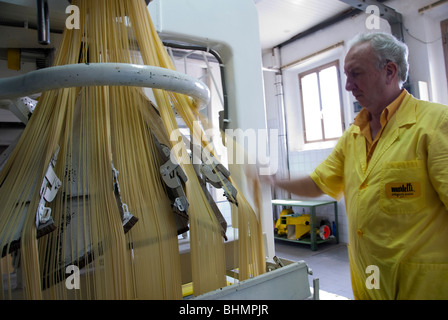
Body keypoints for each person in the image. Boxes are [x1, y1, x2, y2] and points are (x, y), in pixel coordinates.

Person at [266, 32, 448, 300]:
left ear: (389, 71)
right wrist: (272, 181)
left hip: (421, 286)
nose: (348, 86)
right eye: (345, 76)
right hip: (370, 282)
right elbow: (319, 183)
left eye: (356, 74)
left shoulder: (435, 124)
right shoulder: (353, 135)